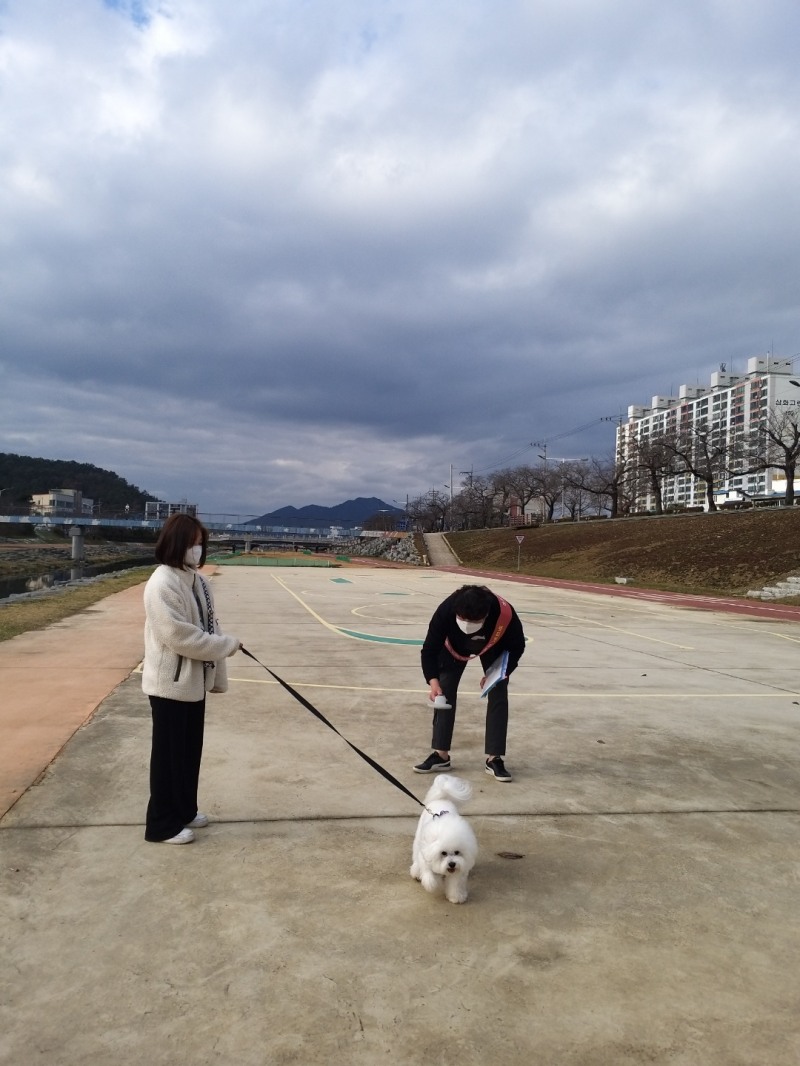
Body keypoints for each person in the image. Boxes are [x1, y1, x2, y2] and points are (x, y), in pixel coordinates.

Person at [142, 513, 241, 844]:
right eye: (192, 544)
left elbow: (210, 624)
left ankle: (184, 810)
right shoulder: (162, 582)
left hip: (193, 683)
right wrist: (226, 647)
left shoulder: (197, 581)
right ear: (176, 543)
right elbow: (178, 635)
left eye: (201, 544)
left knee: (188, 752)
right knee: (168, 757)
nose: (198, 550)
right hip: (169, 685)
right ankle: (161, 824)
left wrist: (217, 669)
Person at [415, 584, 526, 782]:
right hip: (454, 647)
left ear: (487, 613)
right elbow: (429, 649)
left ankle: (494, 758)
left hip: (494, 644)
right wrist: (433, 682)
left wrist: (500, 673)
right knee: (444, 691)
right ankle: (441, 755)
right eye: (463, 619)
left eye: (474, 621)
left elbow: (517, 647)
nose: (467, 624)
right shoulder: (446, 609)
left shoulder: (504, 614)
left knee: (498, 691)